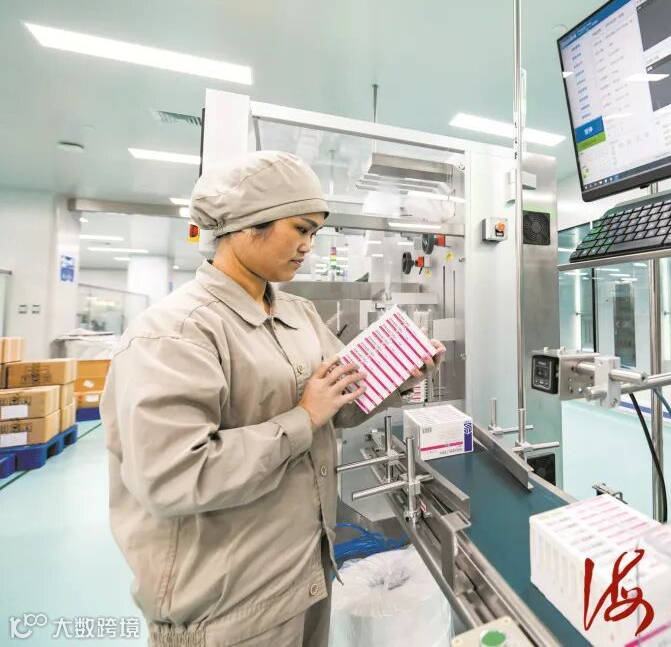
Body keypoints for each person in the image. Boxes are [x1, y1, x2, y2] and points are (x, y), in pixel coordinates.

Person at [100, 151, 445, 647]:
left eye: (315, 233)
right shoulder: (176, 332)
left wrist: (400, 379)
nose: (308, 246)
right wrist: (302, 418)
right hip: (228, 608)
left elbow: (336, 407)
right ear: (246, 224)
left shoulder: (297, 314)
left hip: (307, 574)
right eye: (300, 229)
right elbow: (172, 477)